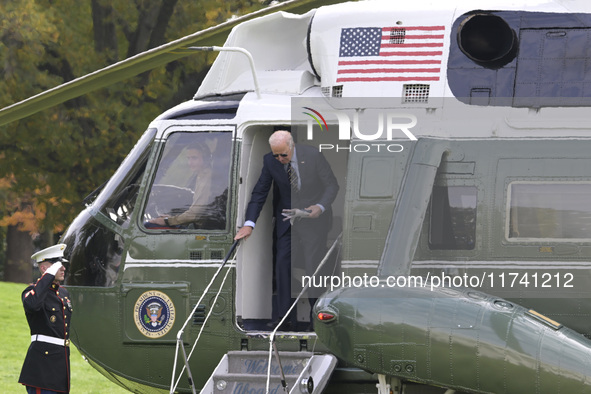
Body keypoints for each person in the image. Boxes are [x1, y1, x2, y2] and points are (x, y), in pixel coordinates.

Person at [235, 130, 339, 330]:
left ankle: (316, 318)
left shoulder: (313, 155)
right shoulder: (270, 161)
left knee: (312, 268)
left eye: (284, 154)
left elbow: (332, 186)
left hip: (313, 219)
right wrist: (249, 224)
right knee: (282, 266)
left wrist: (320, 206)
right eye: (276, 155)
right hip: (287, 220)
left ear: (292, 146)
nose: (280, 159)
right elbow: (260, 192)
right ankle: (284, 318)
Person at [19, 243, 73, 393]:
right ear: (44, 269)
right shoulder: (31, 292)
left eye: (62, 265)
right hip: (42, 368)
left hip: (61, 367)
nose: (63, 268)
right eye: (57, 265)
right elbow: (32, 305)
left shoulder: (63, 294)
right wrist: (48, 275)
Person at [148, 143, 213, 227]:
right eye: (188, 158)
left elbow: (194, 214)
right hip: (196, 224)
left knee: (149, 225)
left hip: (201, 228)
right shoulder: (201, 175)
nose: (190, 163)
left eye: (194, 158)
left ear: (206, 159)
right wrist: (171, 218)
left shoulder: (207, 177)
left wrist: (168, 221)